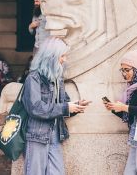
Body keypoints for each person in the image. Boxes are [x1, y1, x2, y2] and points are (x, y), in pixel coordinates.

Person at [22, 37, 91, 175]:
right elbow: (35, 108)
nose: (64, 59)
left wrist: (76, 106)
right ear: (51, 56)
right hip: (37, 135)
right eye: (62, 55)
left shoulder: (58, 78)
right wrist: (66, 107)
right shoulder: (33, 78)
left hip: (55, 134)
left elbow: (63, 105)